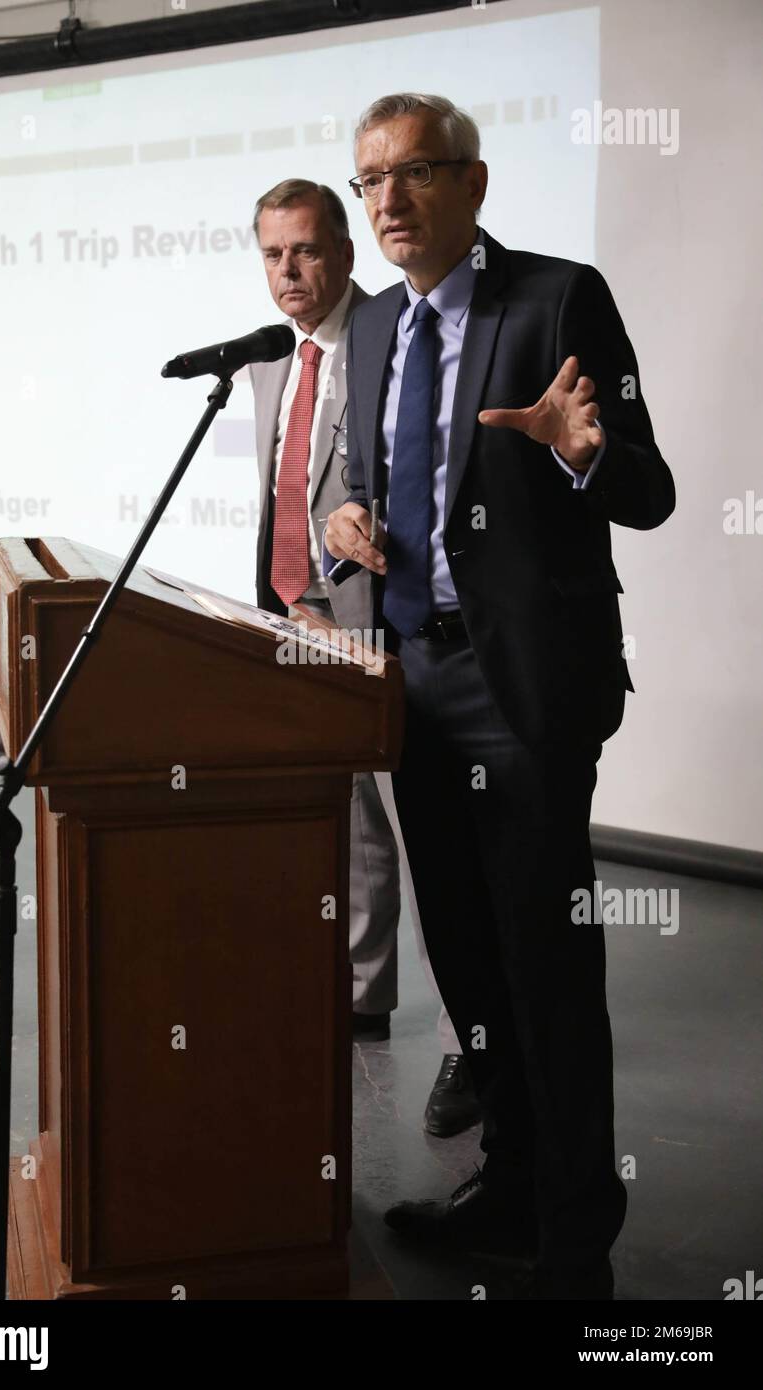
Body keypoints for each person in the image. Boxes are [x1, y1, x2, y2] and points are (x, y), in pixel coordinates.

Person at [324, 93, 675, 1299]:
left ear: (471, 185)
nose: (387, 202)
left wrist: (578, 450)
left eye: (413, 174)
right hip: (412, 684)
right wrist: (345, 524)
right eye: (369, 182)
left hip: (519, 693)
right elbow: (373, 489)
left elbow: (651, 489)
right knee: (468, 968)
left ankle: (575, 1231)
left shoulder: (556, 296)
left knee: (546, 969)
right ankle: (507, 1185)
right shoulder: (369, 329)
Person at [250, 178, 480, 1137]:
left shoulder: (388, 336)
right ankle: (364, 992)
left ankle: (474, 1036)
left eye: (305, 250)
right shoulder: (274, 360)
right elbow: (285, 487)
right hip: (299, 614)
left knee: (424, 829)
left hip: (386, 621)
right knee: (353, 820)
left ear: (345, 251)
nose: (290, 273)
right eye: (272, 255)